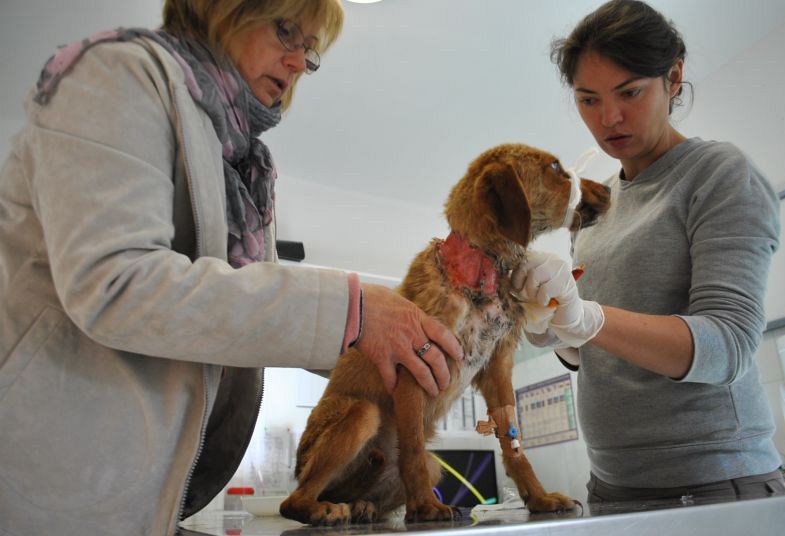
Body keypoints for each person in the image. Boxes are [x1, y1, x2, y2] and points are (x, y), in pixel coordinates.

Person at [0, 1, 463, 534]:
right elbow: (116, 284)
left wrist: (387, 337)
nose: (298, 63)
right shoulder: (117, 74)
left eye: (309, 51)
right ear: (221, 10)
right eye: (285, 31)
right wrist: (351, 312)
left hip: (136, 500)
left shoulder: (246, 165)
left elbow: (244, 320)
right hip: (50, 491)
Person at [511, 0, 785, 505]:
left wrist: (587, 317)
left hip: (713, 483)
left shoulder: (719, 175)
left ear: (673, 77)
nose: (608, 118)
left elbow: (728, 344)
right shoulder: (592, 206)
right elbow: (597, 351)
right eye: (588, 99)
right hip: (611, 483)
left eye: (630, 92)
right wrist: (554, 326)